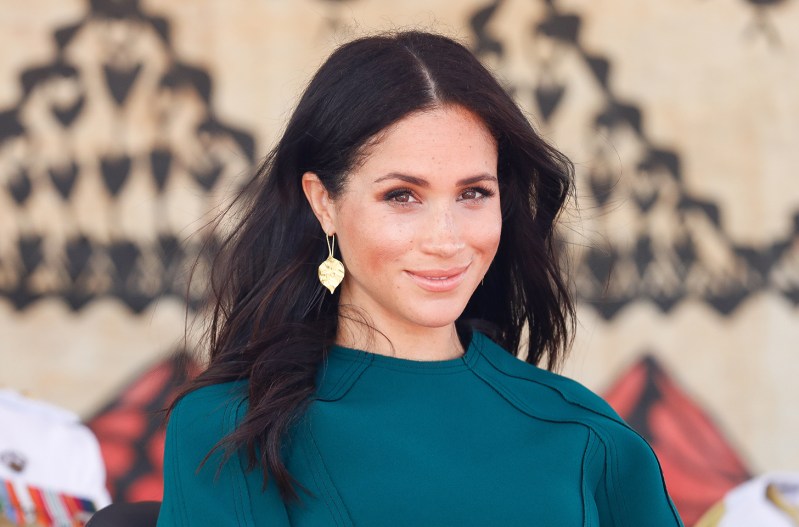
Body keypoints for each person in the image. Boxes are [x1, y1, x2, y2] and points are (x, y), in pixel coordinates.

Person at [156, 30, 684, 526]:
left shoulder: (586, 434)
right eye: (402, 196)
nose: (446, 239)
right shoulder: (230, 429)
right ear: (325, 203)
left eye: (474, 193)